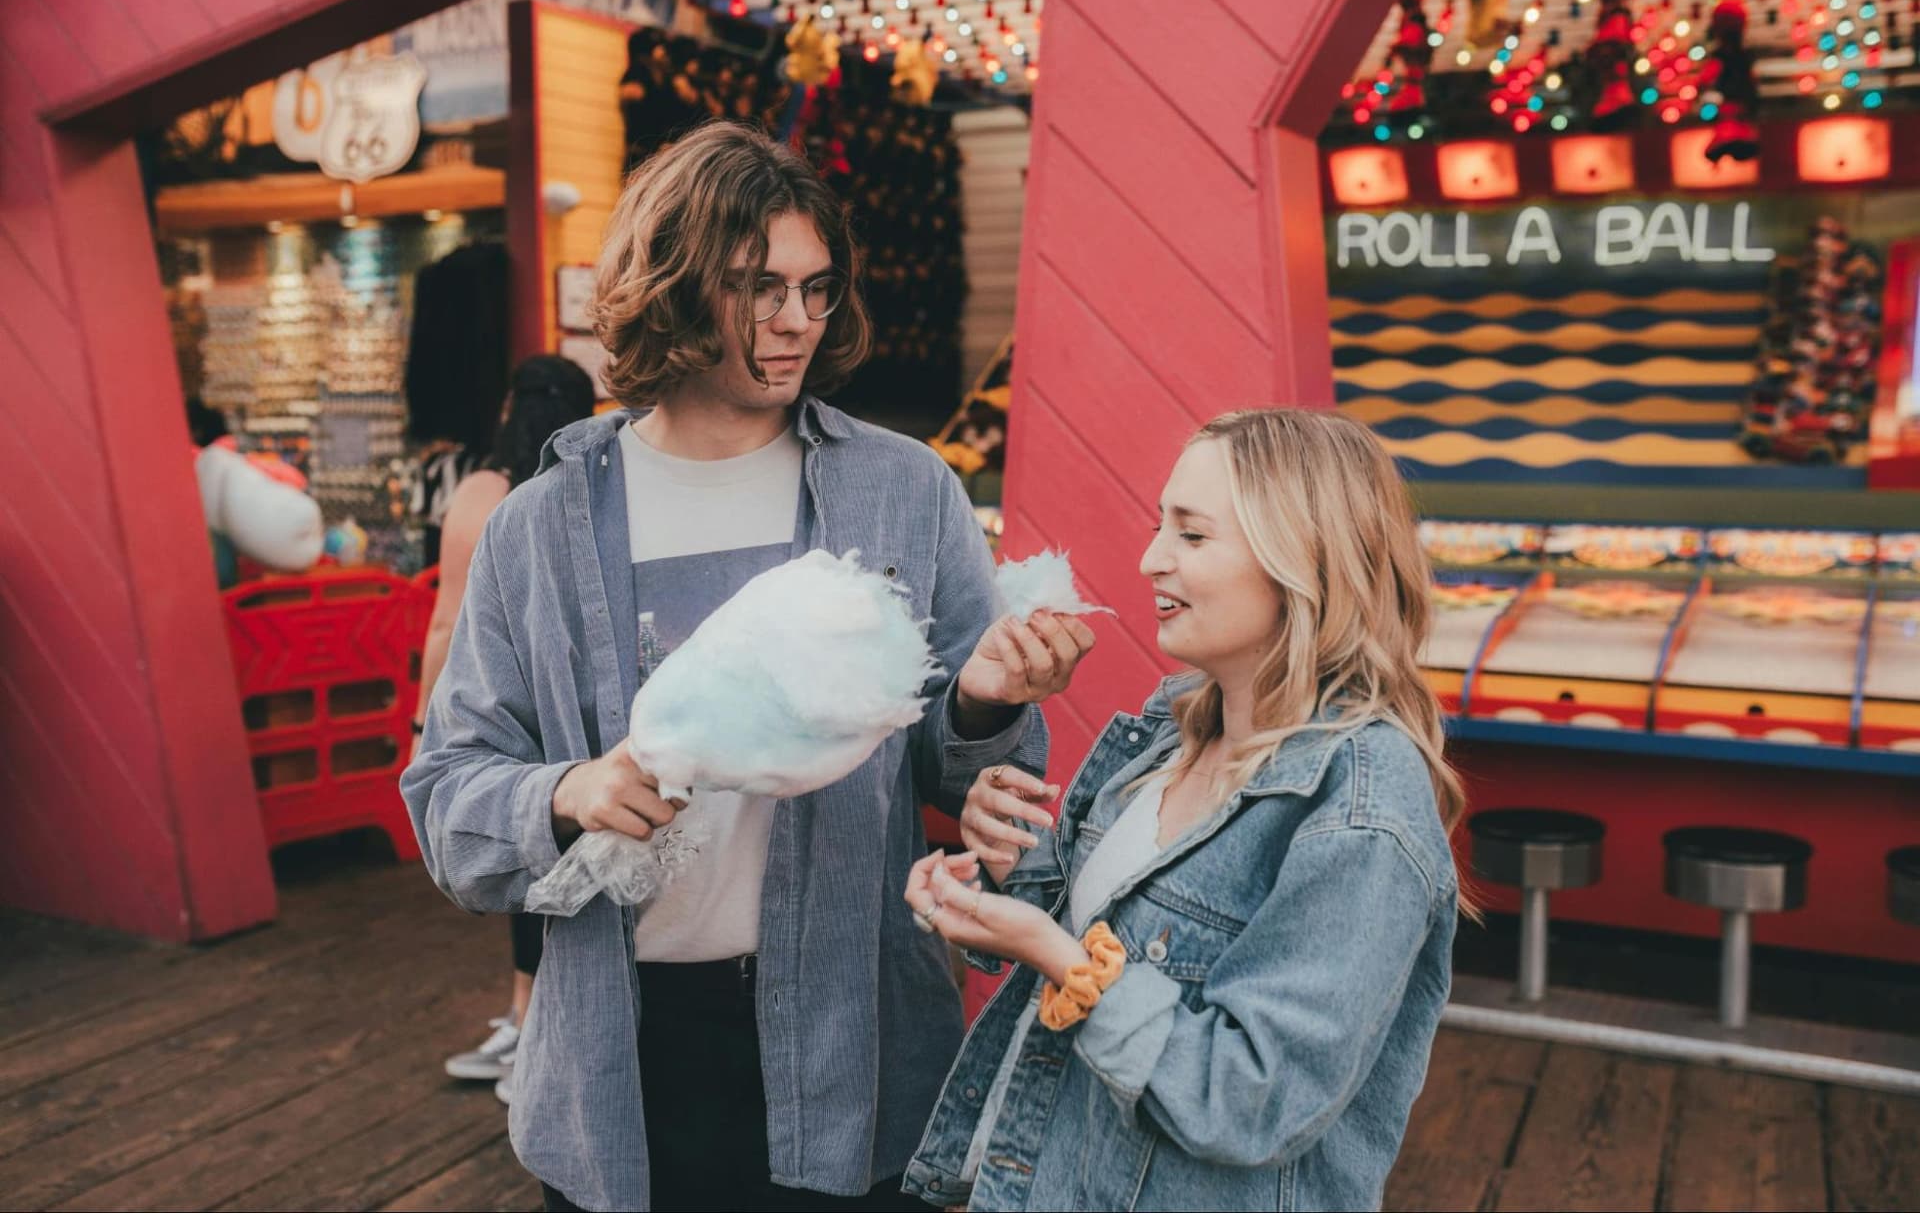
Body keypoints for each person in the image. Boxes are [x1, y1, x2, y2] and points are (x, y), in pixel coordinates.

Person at [401, 119, 1094, 1213]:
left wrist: (982, 698)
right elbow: (445, 800)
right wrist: (569, 791)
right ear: (672, 287)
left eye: (818, 288)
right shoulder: (541, 526)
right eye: (758, 287)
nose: (797, 321)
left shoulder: (903, 491)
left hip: (852, 1040)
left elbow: (979, 784)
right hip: (621, 1049)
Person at [901, 408, 1468, 1212]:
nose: (1149, 559)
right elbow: (1091, 931)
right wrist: (1000, 864)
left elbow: (1253, 1099)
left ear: (1301, 559)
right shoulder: (1166, 731)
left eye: (1192, 537)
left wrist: (1060, 959)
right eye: (1160, 527)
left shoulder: (1363, 801)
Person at [420, 356, 597, 1102]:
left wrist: (428, 725)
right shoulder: (604, 481)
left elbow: (447, 619)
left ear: (505, 406)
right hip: (590, 712)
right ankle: (542, 1029)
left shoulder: (484, 492)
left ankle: (530, 1029)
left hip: (506, 709)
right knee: (586, 873)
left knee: (527, 862)